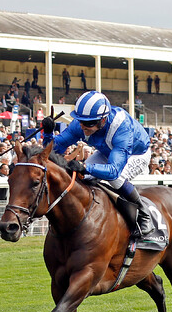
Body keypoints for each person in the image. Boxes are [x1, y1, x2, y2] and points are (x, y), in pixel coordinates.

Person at [41, 90, 158, 243]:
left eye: (88, 123)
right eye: (80, 121)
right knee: (79, 178)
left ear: (103, 120)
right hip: (107, 151)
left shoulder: (121, 128)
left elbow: (114, 171)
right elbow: (54, 149)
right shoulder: (81, 124)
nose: (82, 126)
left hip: (136, 154)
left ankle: (144, 214)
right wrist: (48, 132)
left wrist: (85, 167)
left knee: (116, 179)